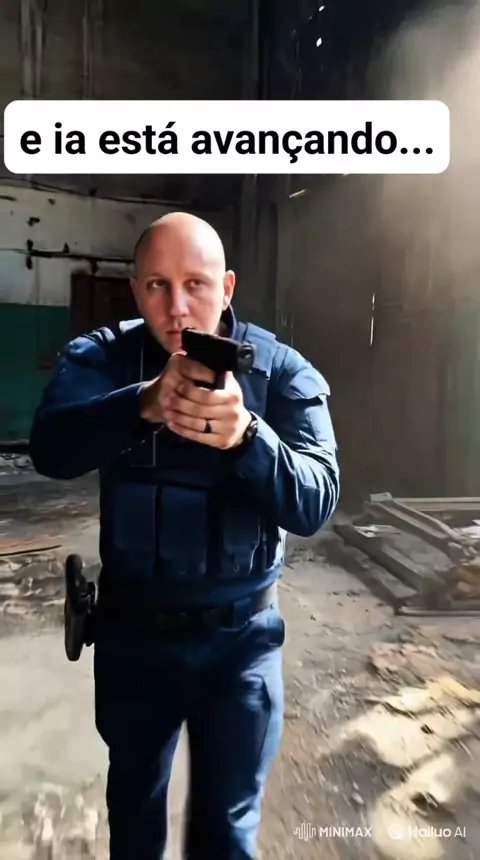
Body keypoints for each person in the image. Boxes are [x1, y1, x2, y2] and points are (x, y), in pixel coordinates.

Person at [29, 212, 340, 860]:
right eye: (157, 286)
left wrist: (249, 438)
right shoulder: (104, 358)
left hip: (241, 645)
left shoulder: (281, 371)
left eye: (195, 284)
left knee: (227, 829)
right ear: (135, 289)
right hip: (133, 636)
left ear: (227, 287)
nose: (176, 308)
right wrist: (141, 403)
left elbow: (315, 502)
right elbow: (50, 449)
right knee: (135, 812)